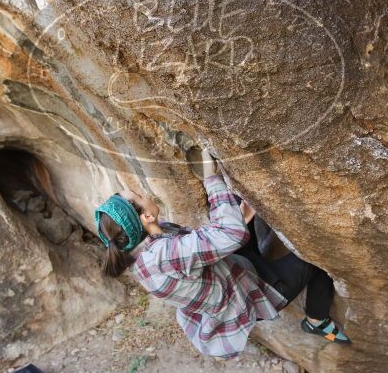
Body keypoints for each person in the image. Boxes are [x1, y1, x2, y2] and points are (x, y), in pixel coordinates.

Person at [94, 148, 350, 359]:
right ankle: (315, 319)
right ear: (146, 216)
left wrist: (238, 220)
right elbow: (228, 235)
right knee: (319, 257)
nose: (145, 193)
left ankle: (244, 226)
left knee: (241, 219)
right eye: (139, 195)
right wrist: (211, 177)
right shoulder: (163, 254)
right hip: (254, 293)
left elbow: (202, 246)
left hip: (231, 271)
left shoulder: (144, 249)